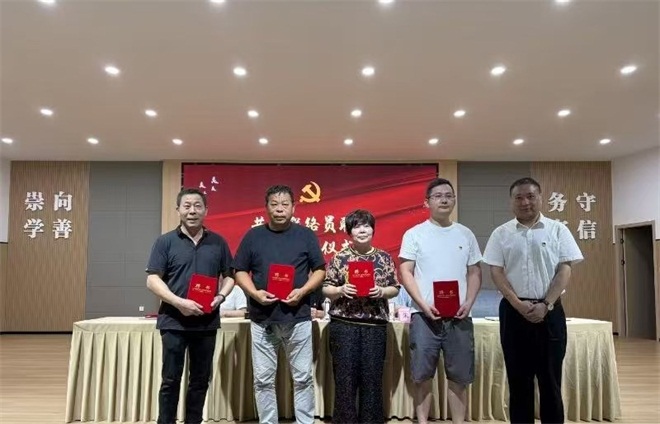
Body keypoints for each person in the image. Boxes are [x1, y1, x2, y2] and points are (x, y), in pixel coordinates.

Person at [483, 177, 583, 424]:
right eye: (519, 197)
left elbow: (565, 269)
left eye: (530, 196)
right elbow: (496, 272)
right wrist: (517, 304)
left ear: (540, 198)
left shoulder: (558, 230)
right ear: (511, 201)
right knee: (519, 380)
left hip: (550, 311)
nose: (525, 202)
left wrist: (546, 304)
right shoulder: (501, 233)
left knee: (550, 379)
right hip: (513, 312)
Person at [232, 184, 326, 424]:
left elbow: (319, 270)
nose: (280, 209)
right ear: (266, 208)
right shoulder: (253, 236)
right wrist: (254, 293)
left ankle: (305, 422)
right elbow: (239, 270)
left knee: (303, 377)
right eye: (274, 204)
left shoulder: (305, 235)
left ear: (294, 207)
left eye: (285, 204)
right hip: (262, 320)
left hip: (298, 318)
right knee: (263, 380)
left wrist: (303, 290)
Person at [145, 188, 234, 424]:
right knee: (170, 380)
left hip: (206, 322)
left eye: (197, 206)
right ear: (178, 210)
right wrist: (179, 302)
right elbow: (152, 279)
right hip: (173, 321)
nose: (192, 211)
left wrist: (220, 296)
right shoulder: (165, 242)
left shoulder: (218, 242)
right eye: (187, 206)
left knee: (200, 380)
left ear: (206, 210)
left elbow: (230, 276)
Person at [398, 178, 482, 424]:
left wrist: (469, 302)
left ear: (454, 200)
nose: (444, 200)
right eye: (438, 196)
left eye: (448, 195)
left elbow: (475, 271)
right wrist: (423, 305)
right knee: (422, 375)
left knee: (459, 377)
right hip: (424, 317)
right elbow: (405, 272)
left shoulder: (465, 234)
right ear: (427, 202)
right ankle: (423, 421)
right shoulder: (414, 234)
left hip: (459, 317)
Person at [323, 209, 400, 424]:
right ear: (349, 232)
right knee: (345, 380)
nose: (362, 230)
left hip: (374, 327)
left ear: (373, 230)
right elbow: (326, 288)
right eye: (357, 226)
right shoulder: (339, 258)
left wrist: (382, 291)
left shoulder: (384, 258)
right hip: (344, 326)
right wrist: (340, 290)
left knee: (372, 379)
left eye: (366, 226)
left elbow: (395, 287)